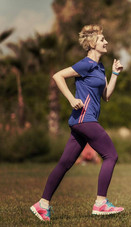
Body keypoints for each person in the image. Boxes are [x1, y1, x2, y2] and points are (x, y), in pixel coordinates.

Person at [30, 24, 124, 221]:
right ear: (92, 44)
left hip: (82, 121)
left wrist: (114, 74)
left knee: (65, 163)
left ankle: (42, 204)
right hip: (84, 118)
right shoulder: (86, 64)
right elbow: (58, 76)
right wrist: (71, 99)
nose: (106, 42)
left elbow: (106, 96)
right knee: (111, 155)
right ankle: (100, 203)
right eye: (102, 39)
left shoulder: (99, 67)